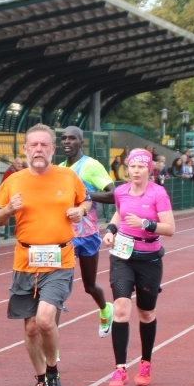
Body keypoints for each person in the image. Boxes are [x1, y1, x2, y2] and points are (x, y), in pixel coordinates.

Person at [0, 124, 88, 386]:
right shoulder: (14, 181)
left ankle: (53, 373)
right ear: (25, 149)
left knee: (45, 320)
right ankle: (41, 378)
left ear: (53, 149)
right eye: (33, 145)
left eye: (44, 145)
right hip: (25, 261)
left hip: (59, 259)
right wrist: (9, 209)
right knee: (31, 327)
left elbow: (86, 202)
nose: (38, 150)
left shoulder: (68, 177)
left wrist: (80, 211)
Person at [100, 149, 175, 386]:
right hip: (122, 257)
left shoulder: (158, 193)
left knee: (146, 313)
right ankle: (119, 369)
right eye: (132, 167)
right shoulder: (121, 191)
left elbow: (170, 228)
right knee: (121, 308)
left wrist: (146, 224)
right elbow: (118, 214)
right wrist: (111, 230)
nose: (135, 171)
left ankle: (145, 362)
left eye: (140, 167)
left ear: (148, 169)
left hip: (149, 259)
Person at [59, 126, 115, 337]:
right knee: (58, 286)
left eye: (72, 138)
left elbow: (113, 194)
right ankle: (51, 341)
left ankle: (105, 309)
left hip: (88, 235)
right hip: (65, 235)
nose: (67, 141)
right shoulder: (60, 169)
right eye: (64, 138)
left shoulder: (90, 166)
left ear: (81, 142)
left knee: (89, 286)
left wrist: (86, 196)